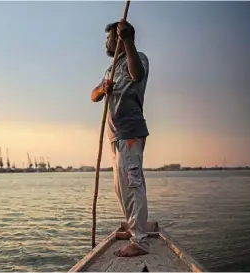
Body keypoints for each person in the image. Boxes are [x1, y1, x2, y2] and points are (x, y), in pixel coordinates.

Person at [91, 19, 150, 257]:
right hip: (114, 137)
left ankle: (140, 241)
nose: (106, 42)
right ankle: (133, 226)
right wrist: (103, 89)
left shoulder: (136, 58)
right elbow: (93, 95)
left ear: (118, 38)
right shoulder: (110, 69)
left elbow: (138, 74)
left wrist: (127, 40)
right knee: (121, 187)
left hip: (131, 132)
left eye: (109, 37)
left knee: (133, 184)